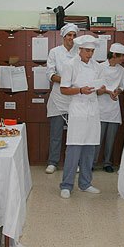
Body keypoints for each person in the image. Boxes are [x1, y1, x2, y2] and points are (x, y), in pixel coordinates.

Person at [59, 35, 104, 198]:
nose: (90, 54)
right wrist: (80, 90)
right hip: (78, 109)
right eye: (87, 51)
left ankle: (85, 183)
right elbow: (63, 89)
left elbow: (98, 89)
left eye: (92, 51)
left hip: (92, 110)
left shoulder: (97, 67)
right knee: (74, 147)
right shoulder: (70, 65)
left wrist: (102, 89)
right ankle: (66, 185)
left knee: (89, 147)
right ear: (80, 50)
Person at [45, 23, 78, 174]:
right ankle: (53, 162)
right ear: (64, 36)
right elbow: (50, 74)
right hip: (58, 99)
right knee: (56, 134)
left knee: (74, 135)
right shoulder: (54, 52)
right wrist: (66, 80)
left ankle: (73, 163)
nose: (71, 38)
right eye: (69, 35)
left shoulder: (80, 52)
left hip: (74, 98)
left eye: (74, 35)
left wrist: (70, 82)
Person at [95, 43, 124, 173]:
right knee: (98, 138)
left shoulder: (121, 70)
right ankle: (92, 162)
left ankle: (107, 162)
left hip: (113, 109)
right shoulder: (100, 67)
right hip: (101, 107)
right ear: (114, 55)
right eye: (122, 56)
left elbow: (122, 86)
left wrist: (117, 91)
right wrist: (108, 91)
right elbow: (96, 87)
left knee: (110, 138)